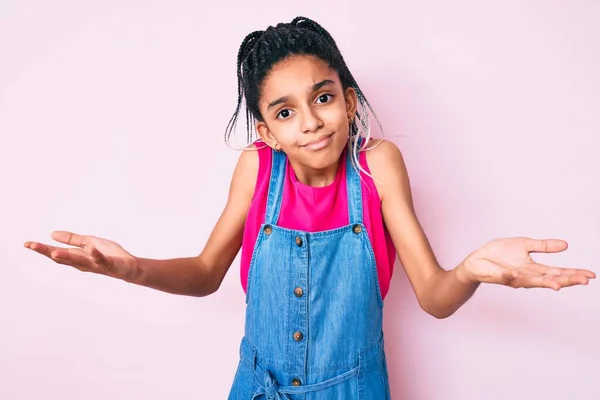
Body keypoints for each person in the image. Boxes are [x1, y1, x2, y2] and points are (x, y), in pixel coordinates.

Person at [24, 16, 595, 400]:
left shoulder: (378, 165)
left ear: (347, 102)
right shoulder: (257, 168)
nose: (312, 120)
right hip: (257, 388)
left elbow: (434, 296)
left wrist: (471, 270)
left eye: (322, 98)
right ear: (266, 131)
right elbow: (204, 275)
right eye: (286, 111)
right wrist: (132, 268)